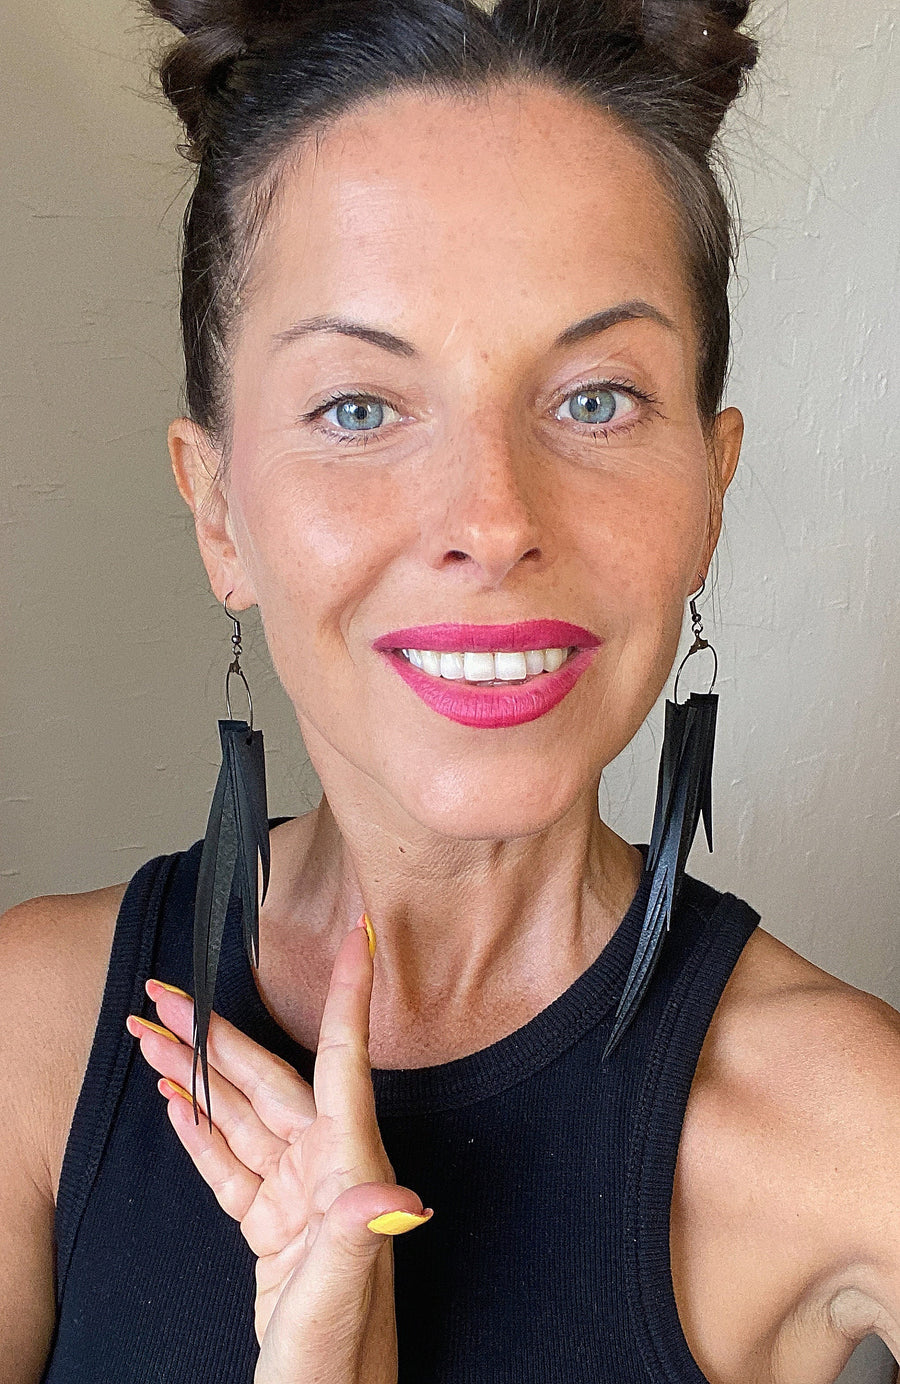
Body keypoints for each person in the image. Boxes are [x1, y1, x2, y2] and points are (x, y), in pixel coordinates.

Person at [1, 0, 898, 1380]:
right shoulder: (29, 1044)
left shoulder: (857, 1130)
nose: (491, 517)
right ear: (218, 509)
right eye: (360, 408)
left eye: (594, 399)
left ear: (712, 488)